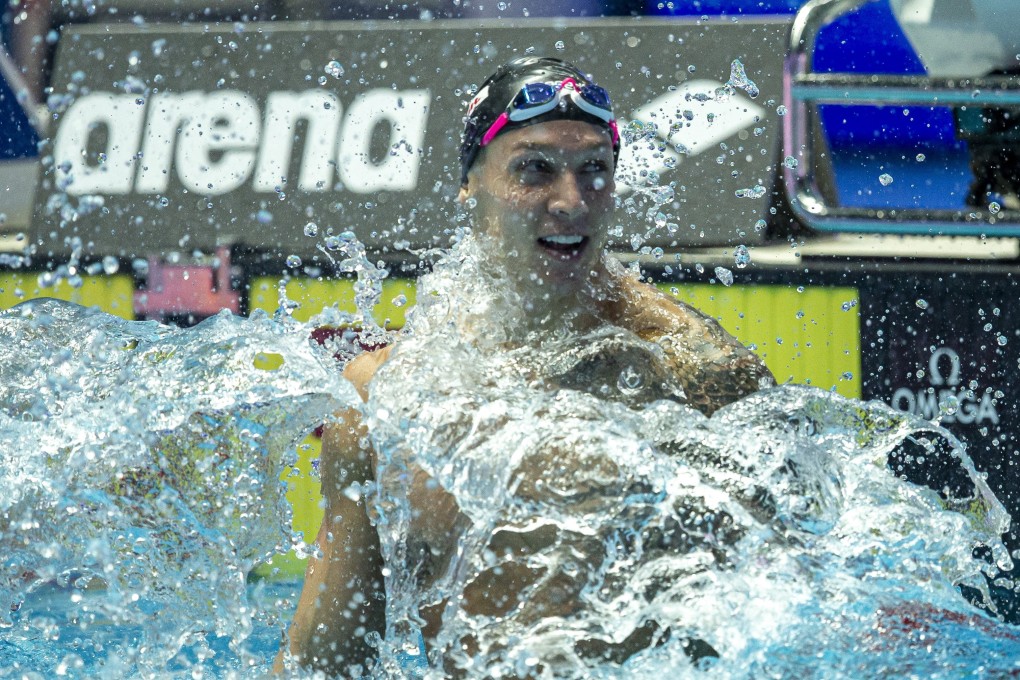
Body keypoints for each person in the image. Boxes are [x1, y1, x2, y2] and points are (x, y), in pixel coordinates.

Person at [275, 56, 774, 676]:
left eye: (594, 170)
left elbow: (785, 604)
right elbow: (324, 662)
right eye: (535, 169)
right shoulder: (385, 399)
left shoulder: (688, 371)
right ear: (470, 181)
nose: (571, 201)